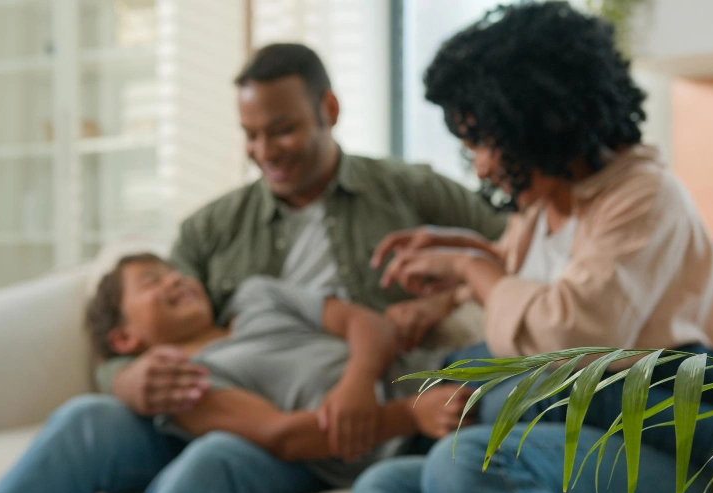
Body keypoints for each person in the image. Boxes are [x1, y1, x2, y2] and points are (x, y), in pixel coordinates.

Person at [351, 4, 713, 493]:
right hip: (575, 439)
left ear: (535, 121)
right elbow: (521, 295)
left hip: (666, 450)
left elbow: (568, 342)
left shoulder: (644, 197)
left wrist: (469, 269)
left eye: (485, 141)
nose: (479, 167)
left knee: (470, 458)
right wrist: (453, 272)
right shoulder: (538, 212)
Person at [0, 254, 468, 493]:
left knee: (209, 455)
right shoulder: (184, 382)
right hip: (329, 438)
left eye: (171, 270)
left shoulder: (258, 297)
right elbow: (280, 434)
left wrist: (359, 380)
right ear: (125, 337)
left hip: (424, 384)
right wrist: (404, 416)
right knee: (94, 424)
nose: (171, 279)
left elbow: (365, 323)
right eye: (151, 282)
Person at [97, 42, 508, 414]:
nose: (264, 152)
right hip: (271, 413)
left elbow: (517, 248)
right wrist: (122, 379)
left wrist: (445, 300)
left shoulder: (409, 189)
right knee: (91, 421)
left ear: (328, 110)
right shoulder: (208, 230)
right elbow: (147, 327)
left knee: (535, 381)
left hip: (395, 385)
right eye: (251, 135)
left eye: (282, 131)